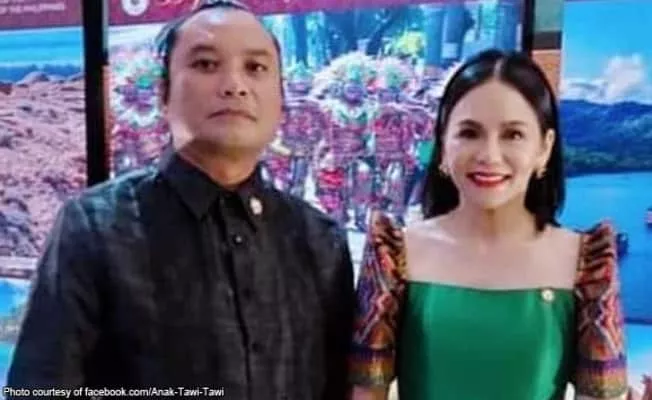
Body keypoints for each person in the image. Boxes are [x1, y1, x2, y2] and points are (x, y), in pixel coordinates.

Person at [7, 1, 354, 399]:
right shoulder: (94, 227)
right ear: (163, 94)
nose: (234, 85)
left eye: (255, 68)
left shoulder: (321, 241)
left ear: (281, 101)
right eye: (206, 64)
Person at [349, 50, 629, 399]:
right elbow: (366, 393)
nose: (489, 155)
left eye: (513, 135)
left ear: (544, 148)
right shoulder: (392, 256)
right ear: (442, 144)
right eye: (469, 133)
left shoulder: (589, 265)